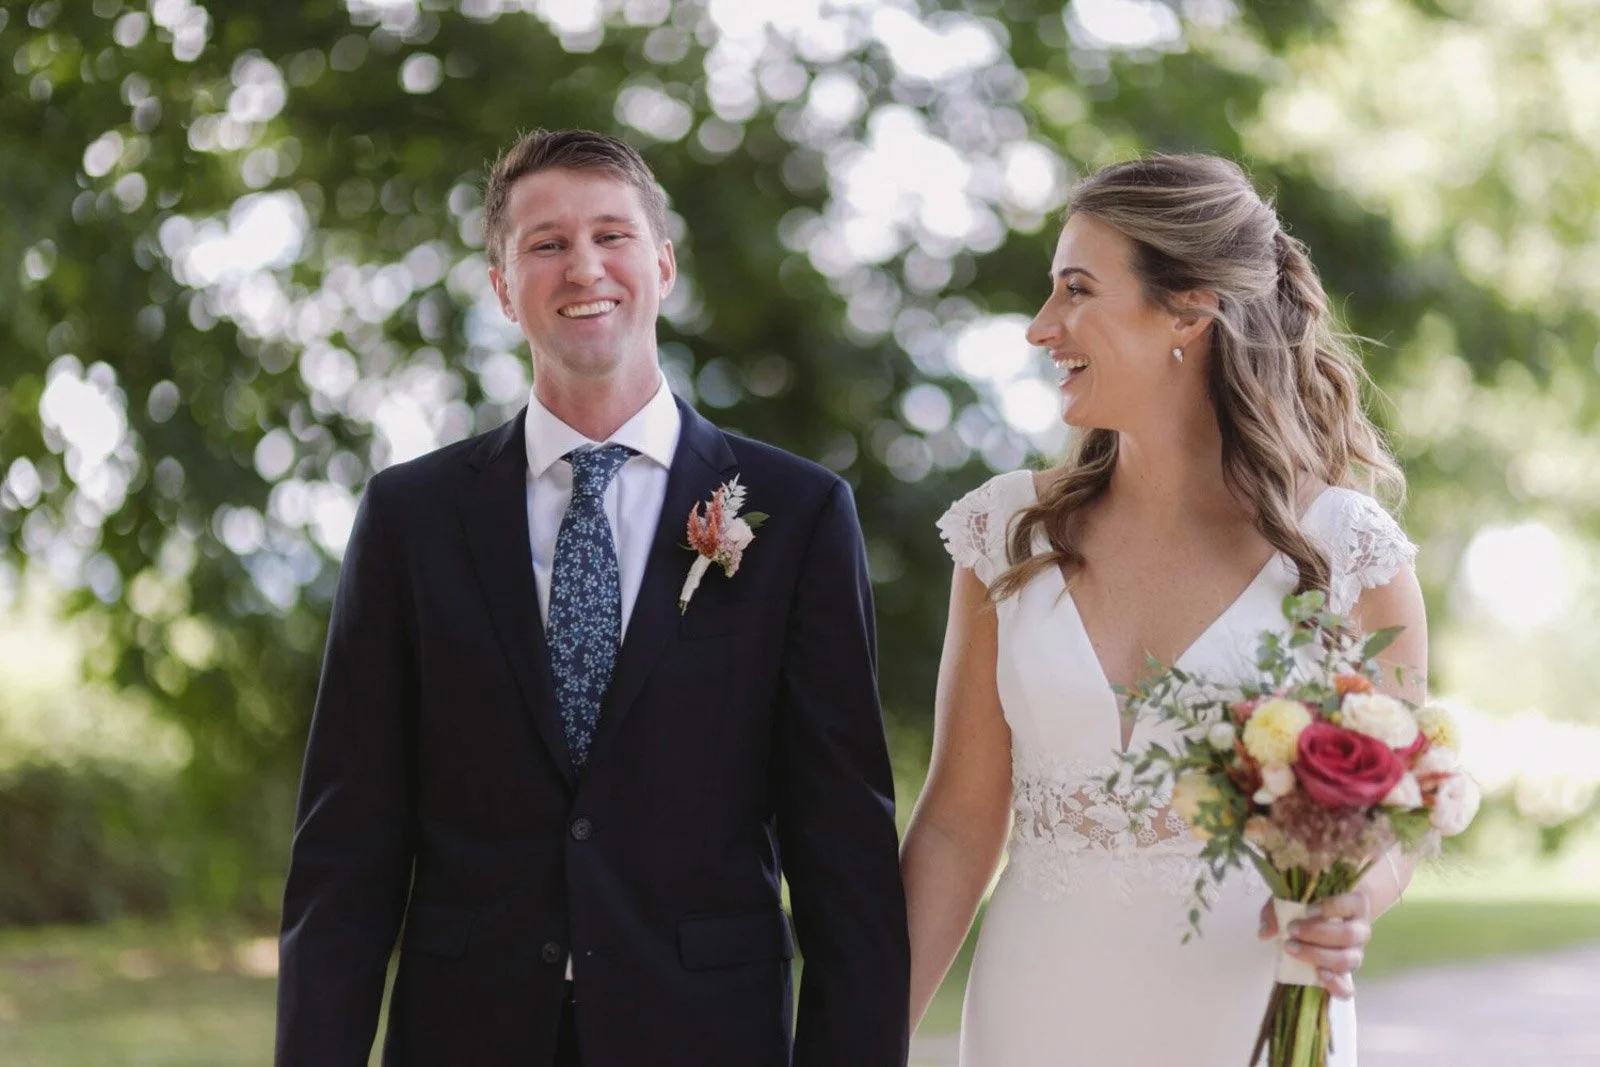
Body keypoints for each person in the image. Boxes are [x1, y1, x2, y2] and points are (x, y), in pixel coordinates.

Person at [275, 128, 909, 1067]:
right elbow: (348, 848)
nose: (584, 267)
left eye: (611, 235)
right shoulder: (411, 517)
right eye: (546, 243)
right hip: (466, 1033)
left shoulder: (800, 515)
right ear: (501, 285)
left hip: (706, 1035)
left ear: (661, 263)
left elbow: (843, 852)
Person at [899, 155, 1426, 1065]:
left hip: (1253, 1011)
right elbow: (955, 822)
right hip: (1037, 1012)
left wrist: (1353, 900)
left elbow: (1395, 815)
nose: (1039, 327)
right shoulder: (1005, 535)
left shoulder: (1347, 552)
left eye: (1077, 290)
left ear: (1188, 308)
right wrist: (865, 1032)